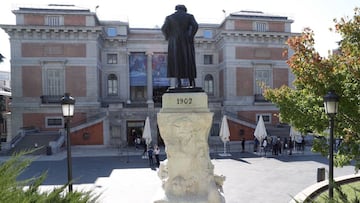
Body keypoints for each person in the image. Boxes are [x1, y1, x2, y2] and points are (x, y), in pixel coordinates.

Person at [161, 5, 198, 88]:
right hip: (186, 41)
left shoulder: (170, 18)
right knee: (189, 60)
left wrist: (168, 37)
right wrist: (191, 36)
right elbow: (195, 26)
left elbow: (163, 29)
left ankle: (179, 83)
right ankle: (191, 82)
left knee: (176, 61)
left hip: (174, 42)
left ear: (176, 9)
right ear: (185, 9)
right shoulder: (189, 16)